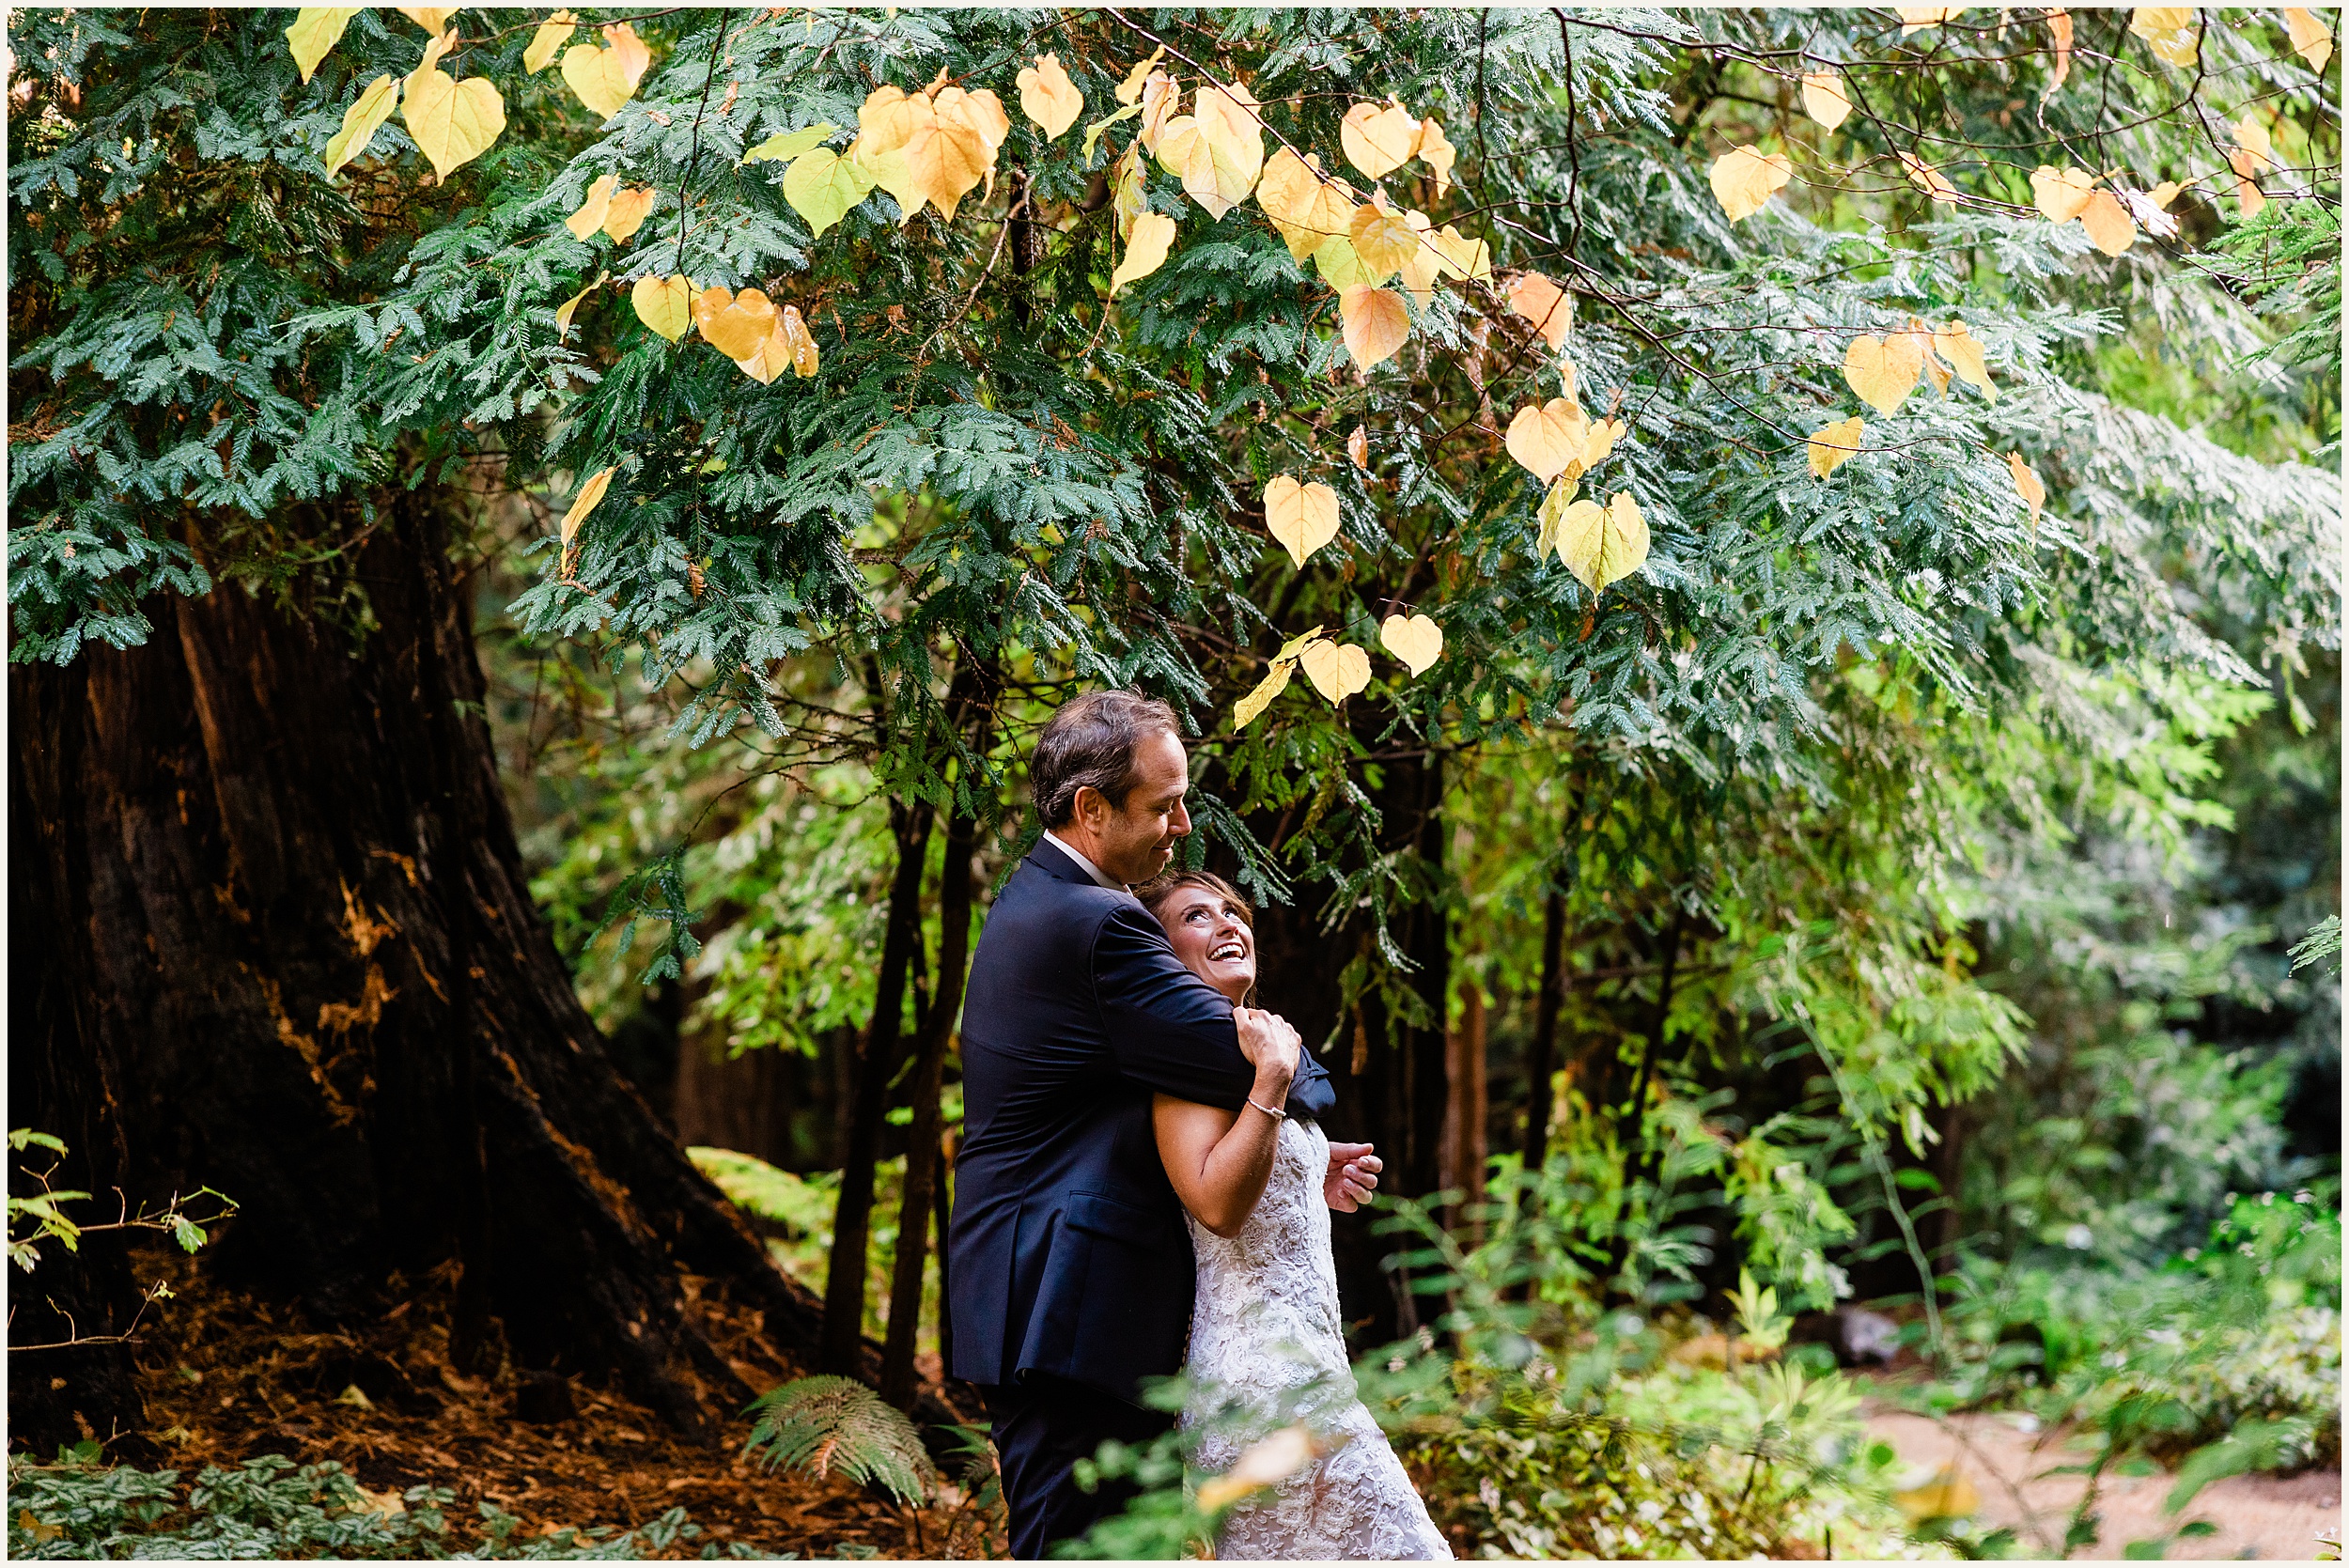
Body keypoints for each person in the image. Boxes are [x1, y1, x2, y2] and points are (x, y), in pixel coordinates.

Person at [947, 690, 1383, 1560]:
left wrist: (1297, 1153)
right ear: (1091, 808)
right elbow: (1250, 1062)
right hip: (1064, 1302)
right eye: (1164, 803)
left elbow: (1126, 1096)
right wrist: (1289, 1070)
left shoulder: (1038, 899)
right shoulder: (1100, 925)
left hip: (1048, 1294)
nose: (1182, 823)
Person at [1139, 870, 1454, 1560]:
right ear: (1161, 952)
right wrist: (1274, 1078)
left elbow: (1251, 1175)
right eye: (1197, 916)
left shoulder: (1239, 1047)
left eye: (1232, 909)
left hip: (1308, 1366)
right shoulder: (1188, 1061)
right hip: (1260, 1384)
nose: (1228, 923)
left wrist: (1312, 1176)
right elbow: (1216, 1205)